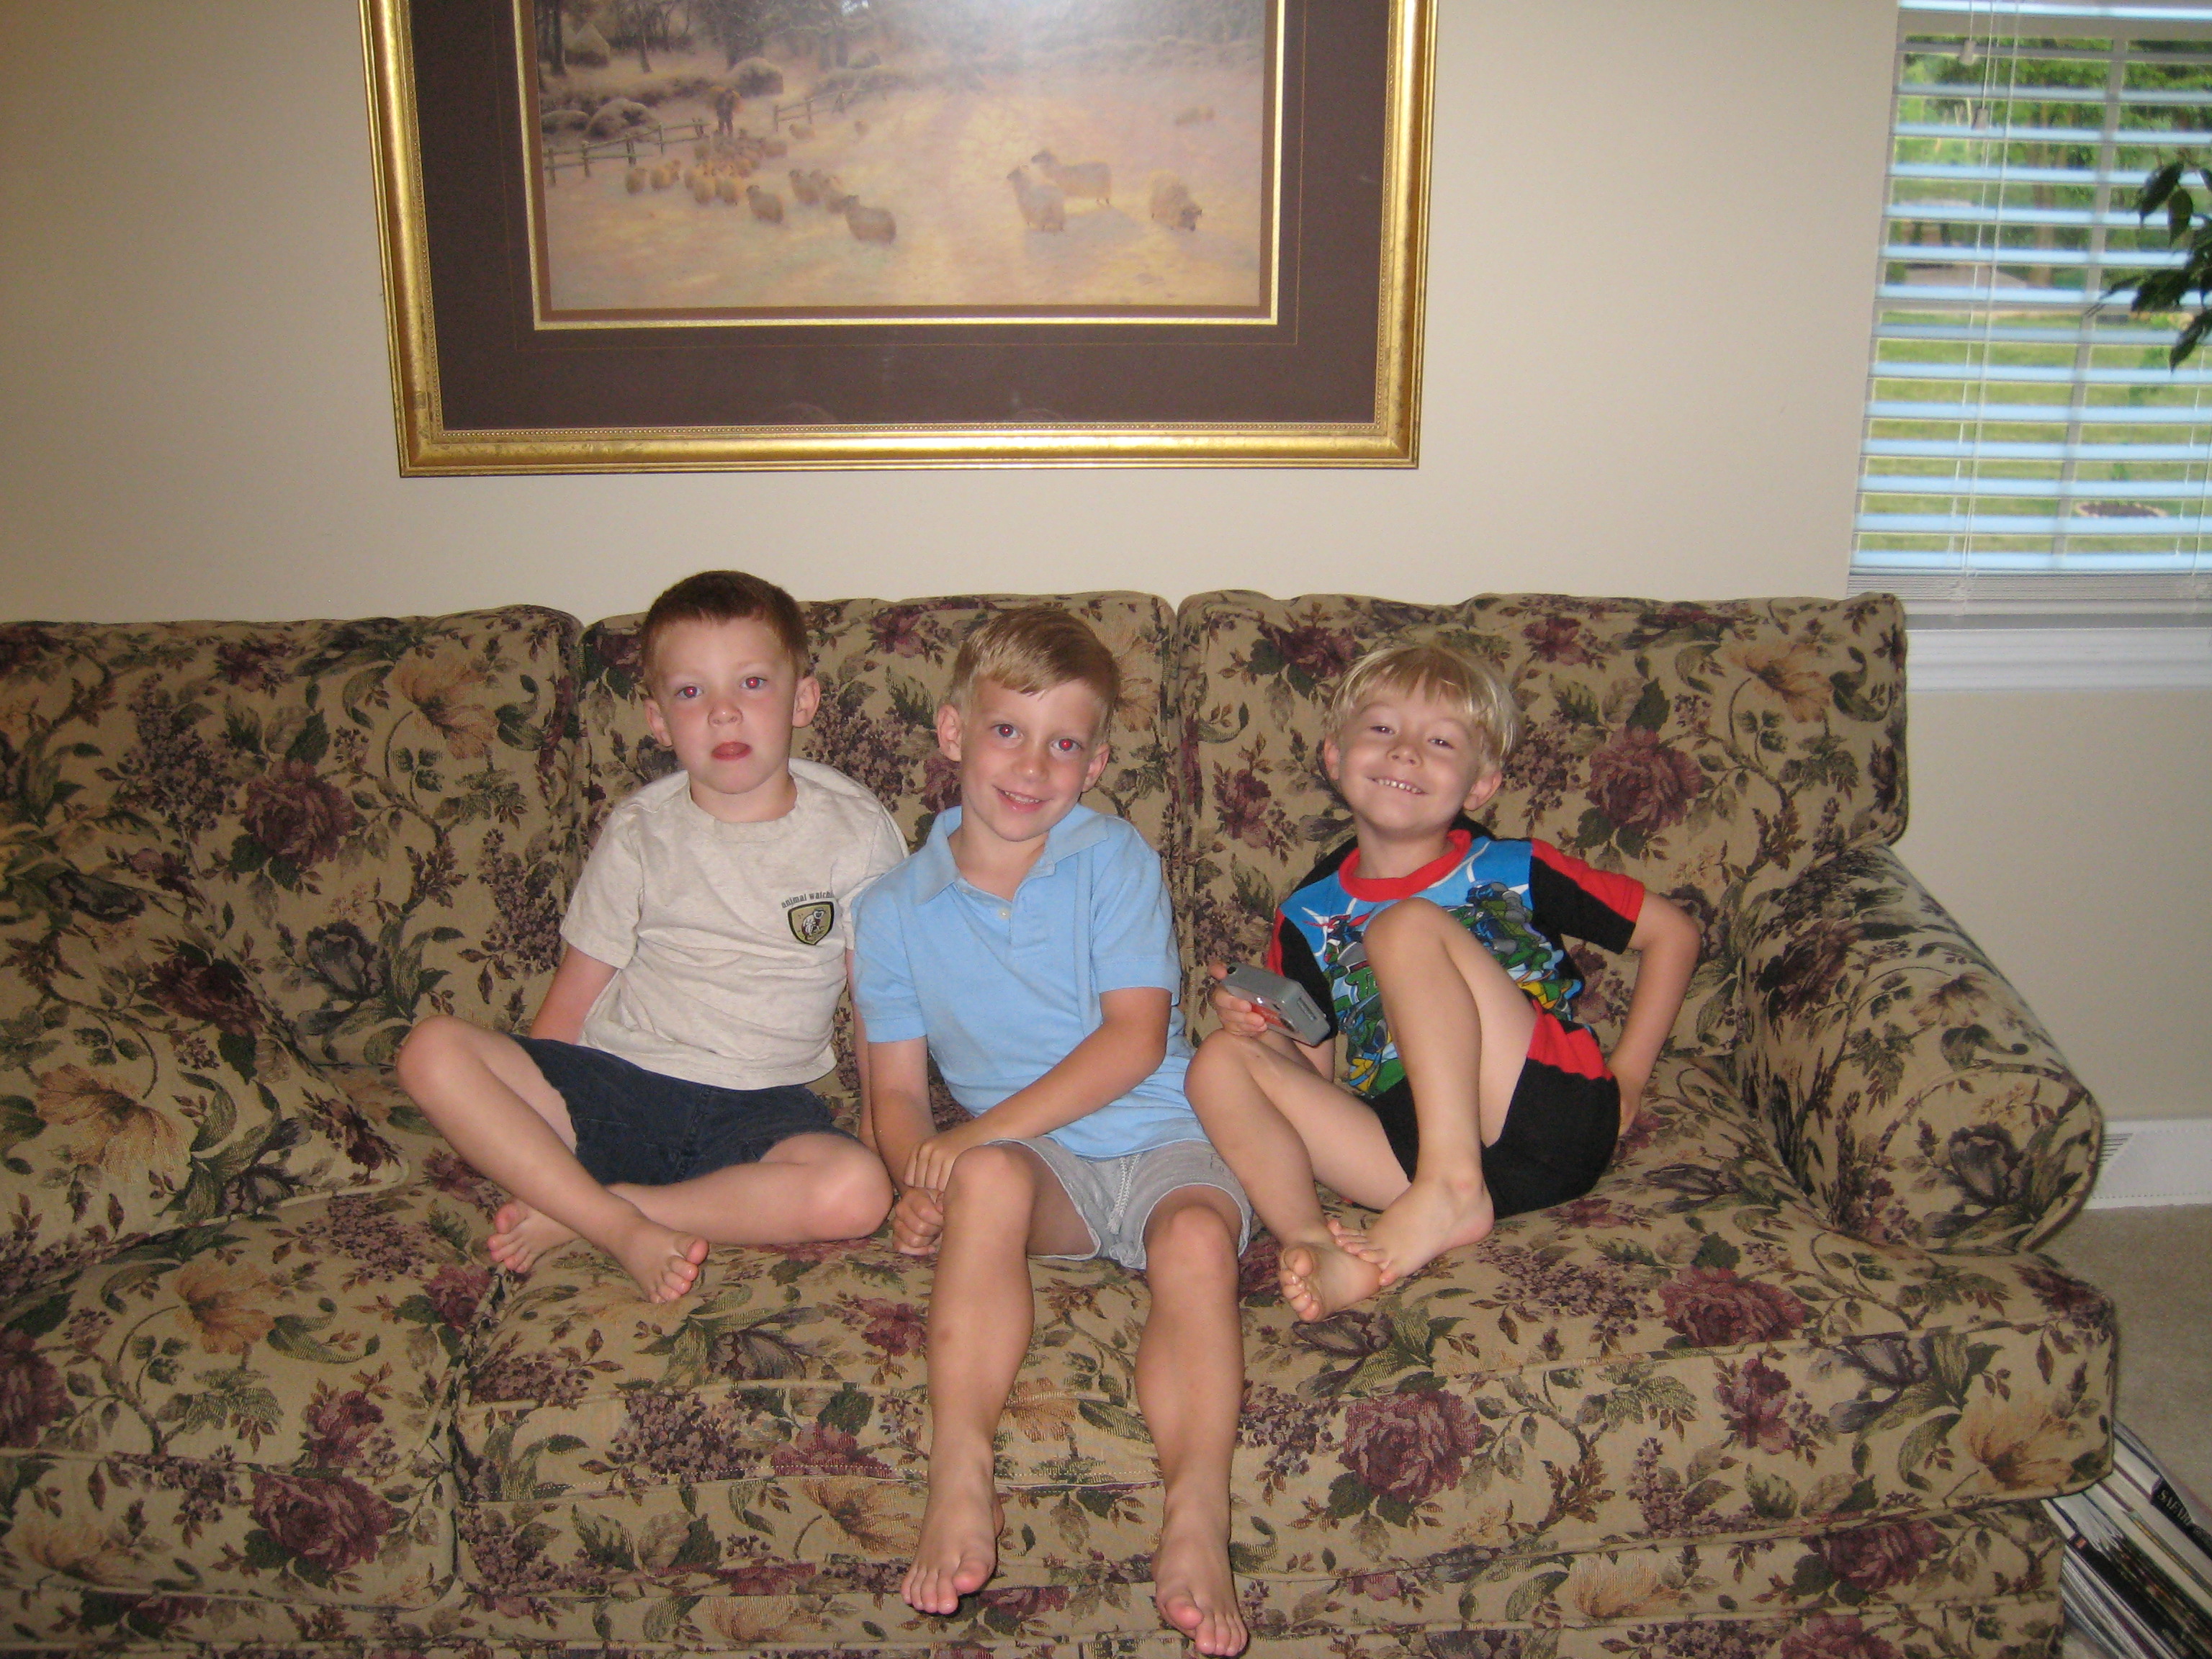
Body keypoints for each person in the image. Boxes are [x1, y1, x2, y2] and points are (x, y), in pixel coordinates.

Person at [853, 608, 1252, 1658]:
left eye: (1064, 743)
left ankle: (1198, 1516)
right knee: (985, 1182)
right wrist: (919, 1178)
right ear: (952, 732)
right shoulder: (890, 910)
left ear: (1097, 763)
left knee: (1195, 1242)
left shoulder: (1113, 856)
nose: (1032, 767)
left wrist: (971, 1139)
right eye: (1007, 732)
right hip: (1043, 1172)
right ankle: (959, 1472)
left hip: (1166, 1136)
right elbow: (895, 1092)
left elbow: (1135, 1041)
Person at [395, 571, 904, 1304]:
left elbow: (876, 1005)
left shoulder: (855, 830)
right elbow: (573, 997)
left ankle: (607, 1210)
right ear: (659, 720)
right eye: (692, 692)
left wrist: (885, 1146)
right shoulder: (640, 830)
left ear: (803, 700)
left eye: (752, 683)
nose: (723, 712)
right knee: (429, 1049)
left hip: (760, 1104)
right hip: (620, 1081)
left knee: (857, 1192)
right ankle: (612, 1223)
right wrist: (539, 1120)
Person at [1185, 640, 1700, 1323]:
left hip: (1543, 1110)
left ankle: (1451, 1188)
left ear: (1480, 786)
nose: (1405, 752)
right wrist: (1256, 1024)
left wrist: (1628, 1075)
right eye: (1381, 728)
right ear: (1334, 756)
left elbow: (1674, 934)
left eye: (1439, 741)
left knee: (1404, 928)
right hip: (1402, 1150)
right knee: (1217, 1060)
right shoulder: (1307, 917)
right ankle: (1318, 1244)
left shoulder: (1514, 866)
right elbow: (1312, 1077)